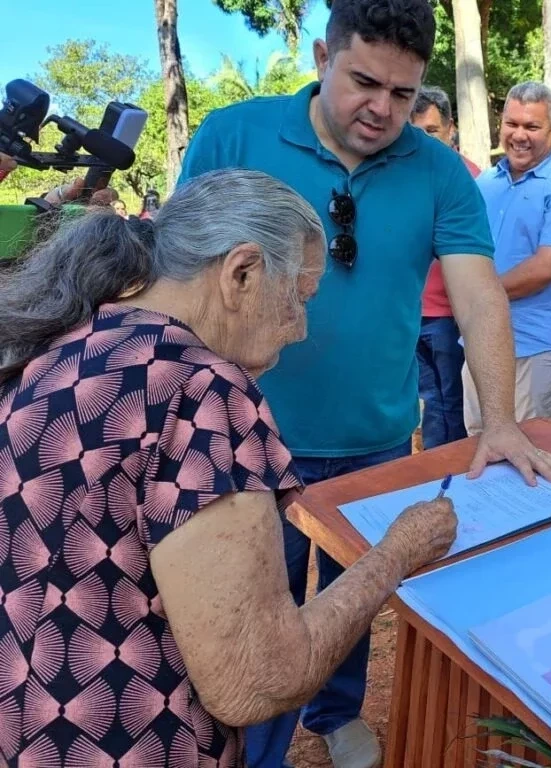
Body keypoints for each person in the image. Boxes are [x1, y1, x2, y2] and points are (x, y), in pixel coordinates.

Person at [178, 2, 551, 766]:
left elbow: (478, 290)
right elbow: (180, 267)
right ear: (323, 54)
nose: (381, 109)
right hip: (250, 437)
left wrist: (499, 420)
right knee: (258, 616)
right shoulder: (234, 134)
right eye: (363, 82)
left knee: (357, 592)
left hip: (379, 437)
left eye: (401, 92)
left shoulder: (437, 167)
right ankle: (254, 751)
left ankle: (337, 713)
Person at [0, 168, 457, 767]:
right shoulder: (202, 389)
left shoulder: (68, 343)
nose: (300, 328)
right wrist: (399, 550)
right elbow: (258, 678)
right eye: (302, 296)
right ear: (241, 273)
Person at [466, 82, 551, 432]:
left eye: (532, 126)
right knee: (477, 445)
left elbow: (547, 266)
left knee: (531, 450)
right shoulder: (485, 184)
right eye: (512, 124)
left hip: (534, 344)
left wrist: (476, 292)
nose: (519, 135)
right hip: (479, 340)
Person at [410, 86, 478, 449]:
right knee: (430, 401)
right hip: (413, 314)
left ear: (450, 128)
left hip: (449, 315)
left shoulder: (469, 177)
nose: (424, 141)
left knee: (452, 401)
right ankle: (438, 473)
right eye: (416, 132)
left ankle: (451, 471)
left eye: (432, 131)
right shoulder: (404, 177)